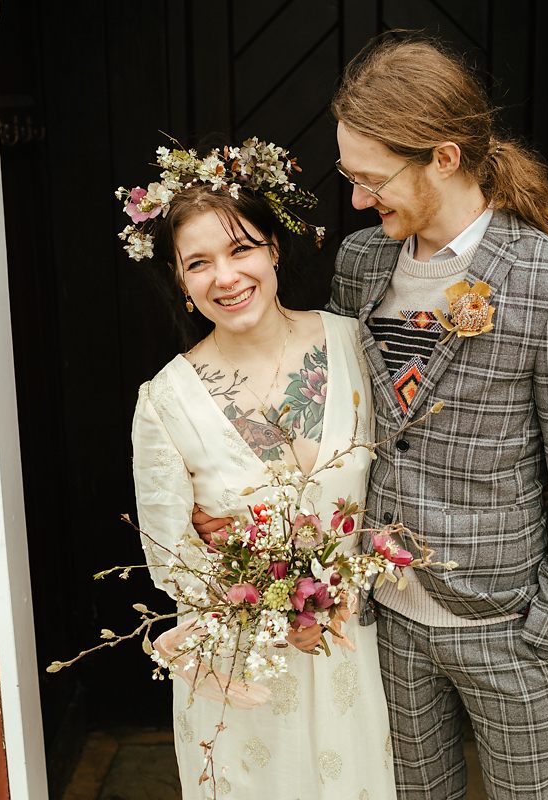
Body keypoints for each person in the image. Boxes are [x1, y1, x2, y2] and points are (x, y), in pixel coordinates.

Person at [327, 34, 548, 799]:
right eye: (348, 177)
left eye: (373, 179)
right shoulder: (360, 264)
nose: (358, 200)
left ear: (444, 158)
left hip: (505, 621)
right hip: (383, 615)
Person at [127, 140, 397, 799]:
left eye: (241, 248)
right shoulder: (167, 401)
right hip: (244, 670)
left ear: (273, 249)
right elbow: (171, 560)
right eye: (199, 263)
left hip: (351, 657)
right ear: (180, 282)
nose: (226, 276)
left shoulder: (352, 344)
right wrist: (270, 598)